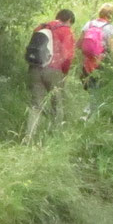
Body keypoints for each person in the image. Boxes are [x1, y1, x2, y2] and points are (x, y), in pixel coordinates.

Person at [24, 7, 76, 141]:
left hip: (35, 68)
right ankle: (56, 135)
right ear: (69, 20)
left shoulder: (40, 27)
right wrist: (64, 72)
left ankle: (29, 136)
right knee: (57, 103)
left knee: (35, 104)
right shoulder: (65, 31)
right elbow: (68, 56)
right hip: (54, 70)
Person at [80, 5, 113, 89]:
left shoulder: (89, 24)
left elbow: (79, 44)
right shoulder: (109, 28)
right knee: (98, 90)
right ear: (111, 16)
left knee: (87, 90)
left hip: (86, 63)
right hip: (100, 62)